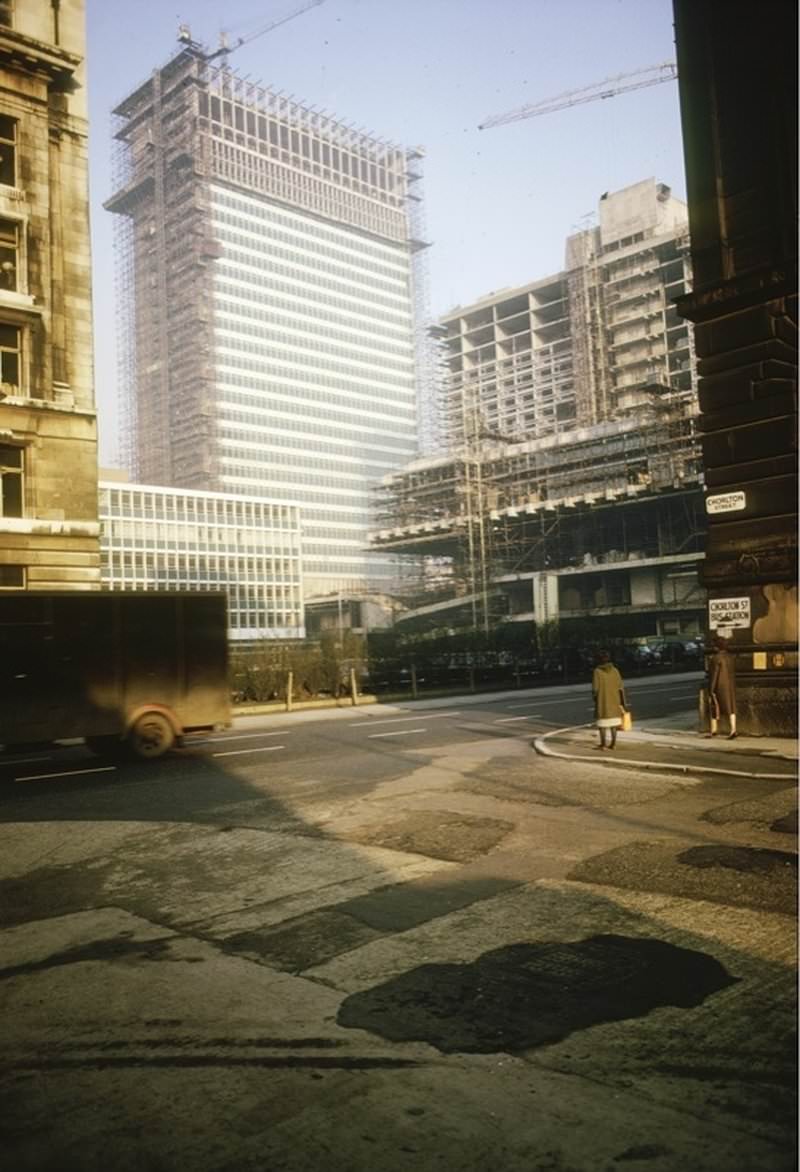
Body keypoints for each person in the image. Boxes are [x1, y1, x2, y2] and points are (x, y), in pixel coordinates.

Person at [592, 649, 627, 750]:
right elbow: (620, 687)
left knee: (602, 724)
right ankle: (613, 744)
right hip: (614, 701)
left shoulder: (597, 671)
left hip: (602, 701)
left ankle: (603, 744)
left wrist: (595, 698)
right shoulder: (615, 670)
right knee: (613, 724)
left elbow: (595, 689)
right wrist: (622, 703)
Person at [707, 635, 737, 739]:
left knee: (714, 706)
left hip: (720, 686)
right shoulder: (730, 657)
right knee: (731, 707)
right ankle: (733, 729)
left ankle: (714, 730)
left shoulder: (715, 659)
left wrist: (711, 690)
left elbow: (714, 675)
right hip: (730, 685)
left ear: (716, 647)